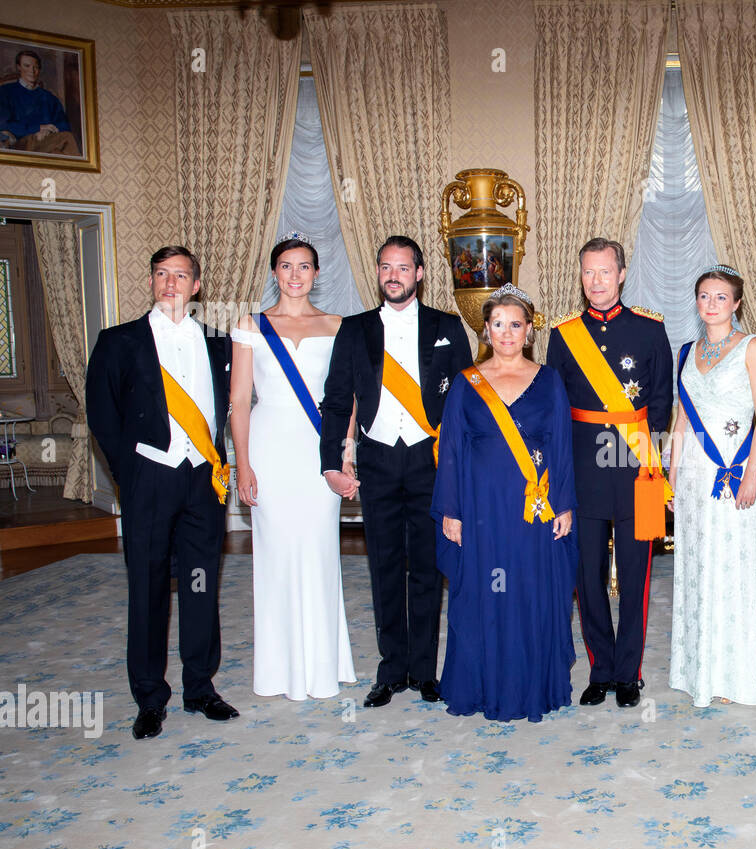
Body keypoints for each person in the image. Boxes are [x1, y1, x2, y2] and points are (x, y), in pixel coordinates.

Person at [85, 245, 237, 739]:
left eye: (181, 275)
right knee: (148, 587)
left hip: (202, 480)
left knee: (200, 582)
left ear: (196, 286)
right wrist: (129, 474)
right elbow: (102, 416)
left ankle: (200, 687)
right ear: (152, 282)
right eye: (161, 274)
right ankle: (150, 696)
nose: (170, 283)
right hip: (149, 477)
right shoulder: (119, 341)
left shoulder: (219, 342)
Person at [319, 235, 473, 708]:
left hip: (431, 460)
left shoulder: (447, 325)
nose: (393, 275)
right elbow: (338, 397)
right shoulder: (355, 329)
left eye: (403, 268)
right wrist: (332, 461)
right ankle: (391, 670)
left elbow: (467, 403)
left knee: (427, 566)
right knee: (385, 565)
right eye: (386, 267)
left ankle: (425, 671)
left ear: (420, 273)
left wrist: (465, 468)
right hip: (379, 460)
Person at [432, 285, 578, 721]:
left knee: (530, 590)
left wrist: (565, 503)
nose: (507, 333)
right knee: (483, 591)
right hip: (480, 509)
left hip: (533, 508)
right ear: (486, 330)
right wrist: (452, 510)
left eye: (516, 324)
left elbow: (562, 447)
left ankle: (529, 685)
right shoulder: (465, 382)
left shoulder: (549, 380)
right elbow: (452, 450)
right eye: (498, 324)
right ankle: (481, 684)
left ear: (529, 331)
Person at [546, 237, 672, 708]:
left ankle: (629, 672)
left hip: (634, 465)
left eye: (604, 272)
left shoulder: (648, 330)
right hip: (582, 468)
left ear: (621, 274)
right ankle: (600, 667)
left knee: (636, 575)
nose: (596, 281)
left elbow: (661, 403)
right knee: (587, 574)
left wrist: (653, 466)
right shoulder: (563, 335)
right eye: (588, 273)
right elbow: (555, 409)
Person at [230, 236, 357, 700]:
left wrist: (345, 453)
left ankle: (324, 664)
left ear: (317, 274)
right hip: (269, 447)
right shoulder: (250, 325)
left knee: (320, 549)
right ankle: (279, 670)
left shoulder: (339, 325)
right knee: (277, 553)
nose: (295, 275)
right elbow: (240, 400)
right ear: (274, 272)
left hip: (318, 451)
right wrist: (242, 465)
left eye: (304, 267)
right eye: (286, 266)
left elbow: (348, 399)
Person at [667, 266, 756, 707]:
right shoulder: (686, 350)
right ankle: (698, 670)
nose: (711, 304)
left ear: (736, 304)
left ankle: (734, 676)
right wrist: (671, 473)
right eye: (704, 296)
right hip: (693, 475)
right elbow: (680, 418)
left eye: (720, 297)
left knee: (731, 568)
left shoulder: (752, 348)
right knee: (696, 565)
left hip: (732, 470)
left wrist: (752, 473)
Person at [0, 50, 79, 156]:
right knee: (67, 139)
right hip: (19, 142)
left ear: (39, 69)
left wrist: (48, 131)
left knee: (58, 152)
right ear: (19, 67)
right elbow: (3, 124)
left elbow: (64, 124)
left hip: (46, 140)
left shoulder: (49, 97)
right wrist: (38, 128)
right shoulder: (5, 92)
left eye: (35, 67)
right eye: (27, 66)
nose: (32, 71)